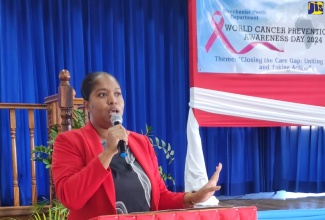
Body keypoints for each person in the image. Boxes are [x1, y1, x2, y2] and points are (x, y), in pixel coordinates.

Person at [52, 71, 222, 220]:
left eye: (117, 94)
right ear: (87, 105)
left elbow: (159, 197)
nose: (113, 101)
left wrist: (193, 198)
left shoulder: (141, 143)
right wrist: (108, 152)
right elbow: (71, 198)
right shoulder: (70, 141)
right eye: (103, 95)